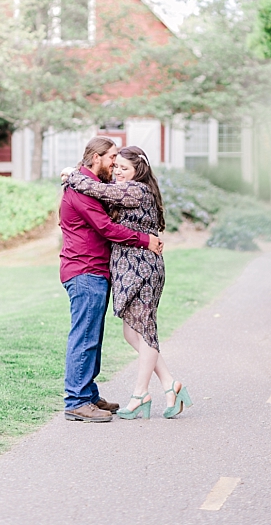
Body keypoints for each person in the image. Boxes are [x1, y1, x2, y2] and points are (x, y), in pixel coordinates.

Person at [63, 145, 193, 420]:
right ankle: (167, 384)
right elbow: (105, 223)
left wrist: (72, 175)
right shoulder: (93, 187)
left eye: (123, 166)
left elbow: (104, 198)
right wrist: (75, 176)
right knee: (129, 333)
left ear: (138, 171)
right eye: (114, 162)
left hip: (141, 268)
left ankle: (138, 394)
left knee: (140, 332)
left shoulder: (135, 189)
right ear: (97, 158)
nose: (116, 169)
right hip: (102, 269)